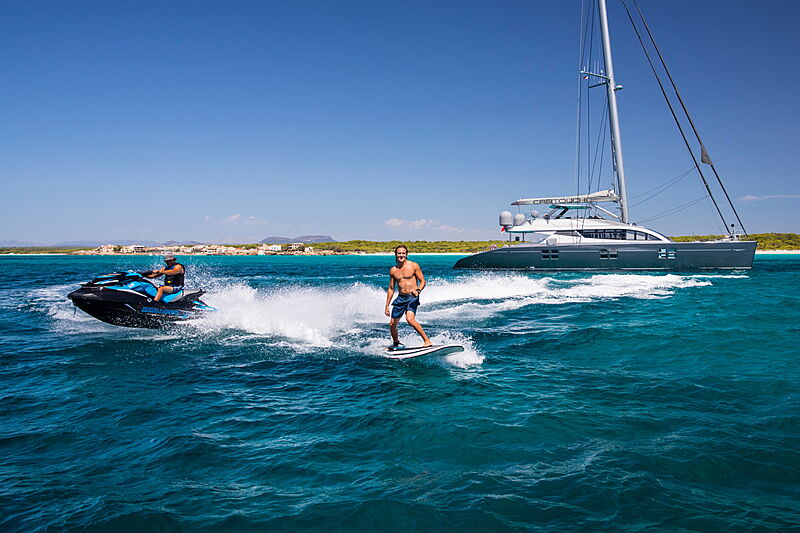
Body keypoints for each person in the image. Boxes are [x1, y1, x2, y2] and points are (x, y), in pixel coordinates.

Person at [385, 244, 432, 349]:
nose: (401, 255)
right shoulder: (393, 270)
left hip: (412, 296)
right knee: (392, 324)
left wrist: (418, 290)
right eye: (399, 253)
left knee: (410, 319)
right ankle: (396, 343)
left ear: (406, 254)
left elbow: (423, 281)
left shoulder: (413, 265)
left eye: (403, 253)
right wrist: (387, 306)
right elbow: (391, 288)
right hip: (401, 298)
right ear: (395, 254)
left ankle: (427, 341)